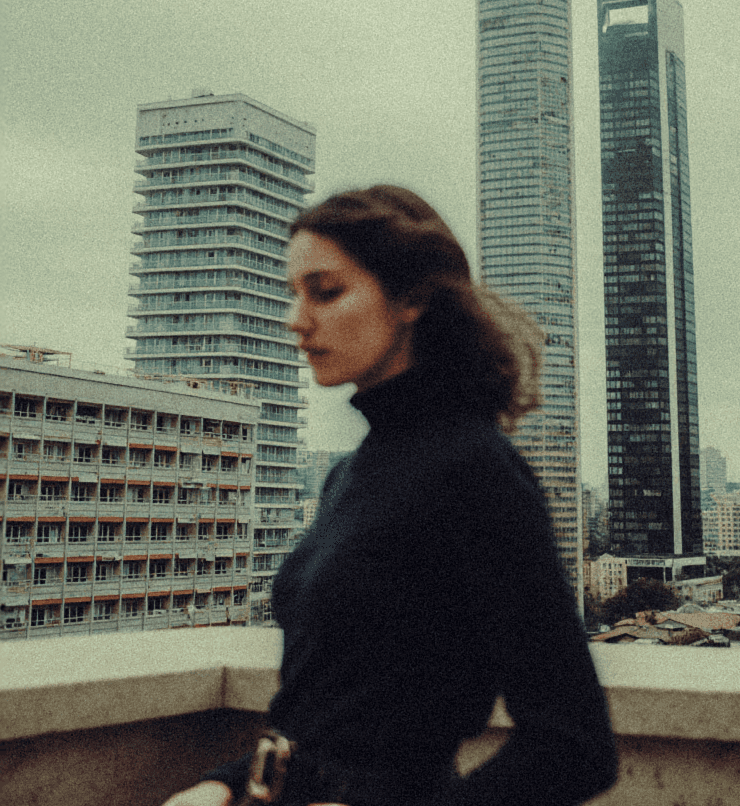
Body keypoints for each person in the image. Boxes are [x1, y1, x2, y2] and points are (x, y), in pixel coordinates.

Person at [164, 186, 617, 806]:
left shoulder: (474, 468)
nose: (297, 321)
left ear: (413, 299)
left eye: (325, 292)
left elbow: (574, 746)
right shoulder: (349, 475)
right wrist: (222, 784)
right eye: (295, 294)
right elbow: (328, 713)